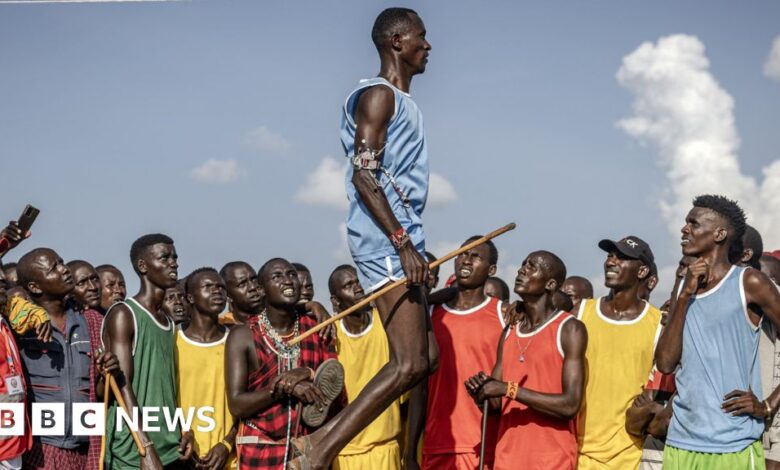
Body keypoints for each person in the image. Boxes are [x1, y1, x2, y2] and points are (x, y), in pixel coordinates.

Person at [289, 9, 436, 469]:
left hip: (401, 237)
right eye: (421, 38)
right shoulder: (378, 96)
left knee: (426, 356)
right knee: (410, 362)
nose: (428, 46)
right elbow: (363, 175)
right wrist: (401, 242)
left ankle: (325, 437)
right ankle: (322, 449)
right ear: (396, 41)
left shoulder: (400, 101)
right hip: (386, 240)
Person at [656, 195, 780, 468]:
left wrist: (768, 405)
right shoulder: (683, 286)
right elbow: (665, 363)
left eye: (694, 223)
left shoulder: (748, 281)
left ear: (719, 233)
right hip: (681, 441)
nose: (684, 229)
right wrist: (685, 293)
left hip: (732, 444)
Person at [466, 251, 587, 470]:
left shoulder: (569, 329)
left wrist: (508, 389)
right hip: (507, 459)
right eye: (523, 264)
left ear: (550, 283)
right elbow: (496, 406)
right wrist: (481, 393)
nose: (522, 270)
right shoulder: (510, 331)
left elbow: (570, 405)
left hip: (551, 461)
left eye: (532, 267)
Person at [225, 258, 341, 470]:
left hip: (310, 451)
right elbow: (237, 404)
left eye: (292, 275)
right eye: (277, 276)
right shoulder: (243, 335)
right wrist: (285, 388)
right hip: (260, 451)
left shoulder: (317, 328)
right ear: (261, 290)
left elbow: (335, 383)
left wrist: (308, 373)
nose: (288, 281)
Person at [16, 248, 118, 470]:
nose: (64, 270)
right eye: (54, 268)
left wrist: (109, 371)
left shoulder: (91, 321)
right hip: (41, 451)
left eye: (61, 262)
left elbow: (99, 394)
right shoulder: (20, 327)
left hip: (87, 448)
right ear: (34, 287)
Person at [410, 237, 505, 470]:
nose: (466, 259)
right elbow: (419, 389)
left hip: (484, 444)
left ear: (491, 269)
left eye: (476, 256)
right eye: (463, 253)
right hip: (437, 443)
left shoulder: (504, 315)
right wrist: (410, 452)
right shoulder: (430, 313)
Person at [101, 234, 194, 470]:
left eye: (174, 257)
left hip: (170, 448)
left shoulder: (169, 322)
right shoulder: (124, 314)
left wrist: (184, 428)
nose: (174, 263)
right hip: (133, 453)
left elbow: (168, 387)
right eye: (165, 257)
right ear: (143, 266)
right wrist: (146, 447)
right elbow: (122, 387)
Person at [577, 236, 662, 470]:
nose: (611, 262)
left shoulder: (658, 324)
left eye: (622, 257)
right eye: (609, 256)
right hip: (576, 451)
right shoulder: (581, 311)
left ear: (642, 270)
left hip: (628, 456)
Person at [329, 265, 403, 470]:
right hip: (344, 453)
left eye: (359, 281)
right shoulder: (329, 334)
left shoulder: (387, 323)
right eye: (348, 285)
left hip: (385, 448)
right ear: (335, 301)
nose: (358, 288)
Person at [175, 268, 236, 469]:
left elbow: (248, 403)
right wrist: (181, 435)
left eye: (221, 287)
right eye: (208, 287)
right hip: (183, 455)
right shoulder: (173, 341)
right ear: (190, 298)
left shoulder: (237, 340)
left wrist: (227, 444)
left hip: (228, 459)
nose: (217, 291)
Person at [220, 261, 263, 326]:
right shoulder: (219, 329)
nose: (253, 287)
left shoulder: (278, 321)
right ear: (227, 296)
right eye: (242, 284)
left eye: (254, 280)